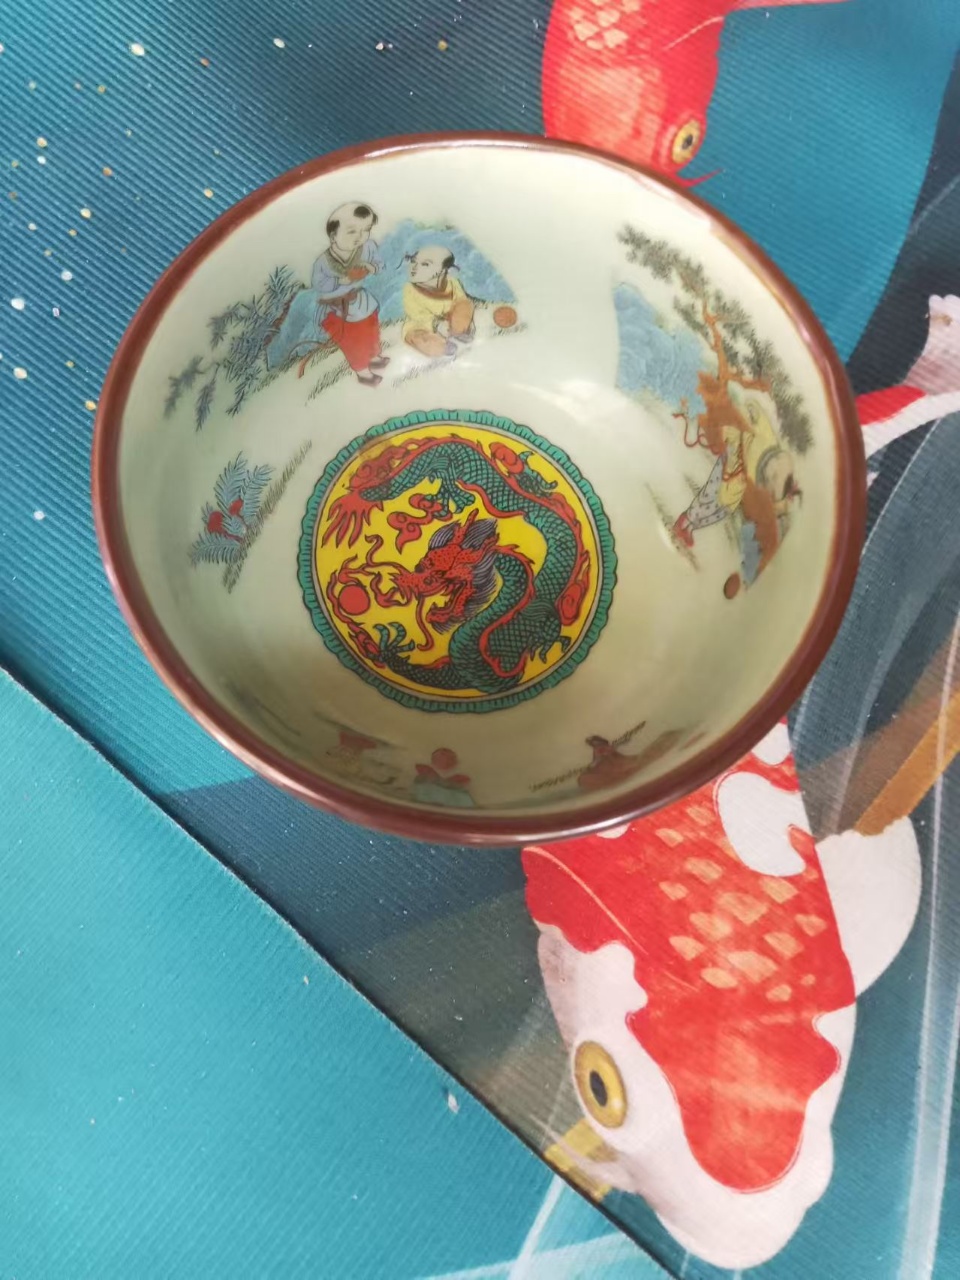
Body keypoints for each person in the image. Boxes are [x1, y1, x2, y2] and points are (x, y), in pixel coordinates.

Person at [267, 202, 388, 386]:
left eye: (366, 230)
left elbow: (380, 264)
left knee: (371, 329)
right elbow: (319, 284)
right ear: (333, 236)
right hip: (338, 309)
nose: (360, 237)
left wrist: (372, 267)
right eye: (352, 232)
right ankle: (363, 372)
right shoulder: (324, 262)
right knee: (352, 341)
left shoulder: (368, 247)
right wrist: (341, 281)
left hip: (362, 301)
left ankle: (374, 356)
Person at [402, 246, 475, 358]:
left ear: (443, 270)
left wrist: (458, 315)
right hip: (422, 325)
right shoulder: (410, 289)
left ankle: (459, 331)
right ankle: (441, 345)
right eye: (413, 261)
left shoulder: (452, 283)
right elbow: (419, 317)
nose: (414, 267)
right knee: (417, 337)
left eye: (425, 264)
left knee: (464, 306)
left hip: (449, 318)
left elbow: (461, 301)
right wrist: (437, 326)